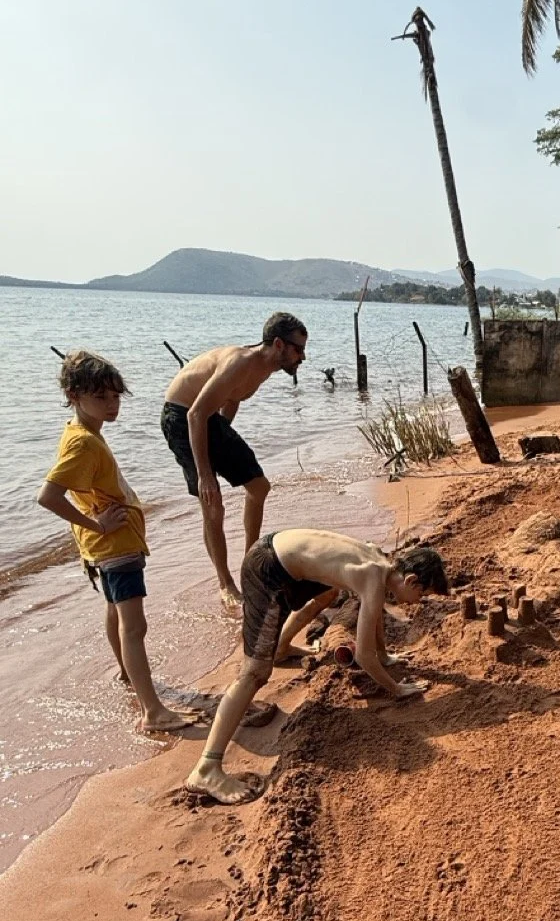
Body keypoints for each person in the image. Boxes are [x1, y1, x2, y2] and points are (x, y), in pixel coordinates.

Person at [185, 531, 449, 803]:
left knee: (329, 592)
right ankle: (206, 768)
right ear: (411, 580)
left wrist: (385, 656)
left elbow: (374, 614)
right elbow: (364, 657)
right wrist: (396, 689)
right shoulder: (372, 578)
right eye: (422, 594)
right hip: (267, 569)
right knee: (255, 673)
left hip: (278, 550)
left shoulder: (378, 559)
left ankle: (282, 648)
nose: (419, 602)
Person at [37, 351, 194, 734]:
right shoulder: (84, 444)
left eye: (116, 397)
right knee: (134, 627)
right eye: (102, 397)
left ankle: (128, 674)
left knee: (115, 614)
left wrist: (94, 527)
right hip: (115, 547)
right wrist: (97, 524)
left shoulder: (80, 434)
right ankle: (153, 711)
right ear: (74, 395)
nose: (112, 405)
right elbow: (48, 496)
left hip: (102, 549)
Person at [160, 312, 308, 612]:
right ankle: (225, 583)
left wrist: (223, 437)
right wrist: (206, 474)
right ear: (278, 344)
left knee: (259, 487)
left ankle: (250, 563)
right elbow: (194, 415)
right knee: (212, 503)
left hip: (208, 419)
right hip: (181, 417)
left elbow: (233, 398)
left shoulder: (265, 368)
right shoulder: (240, 362)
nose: (303, 356)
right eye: (298, 349)